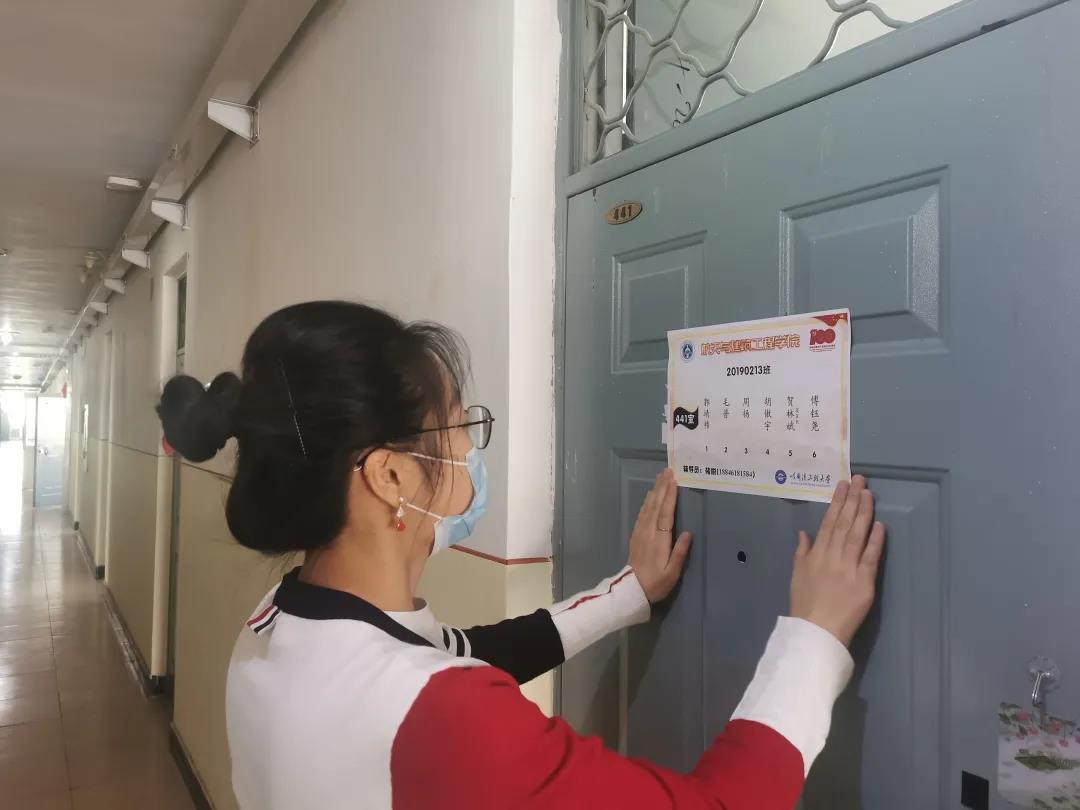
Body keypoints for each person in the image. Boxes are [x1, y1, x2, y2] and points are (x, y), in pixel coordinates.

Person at [157, 300, 885, 810]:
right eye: (456, 427)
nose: (470, 450)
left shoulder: (280, 623)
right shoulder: (438, 716)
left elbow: (462, 654)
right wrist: (814, 637)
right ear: (390, 476)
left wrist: (627, 596)